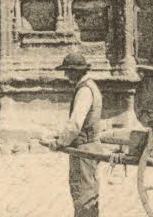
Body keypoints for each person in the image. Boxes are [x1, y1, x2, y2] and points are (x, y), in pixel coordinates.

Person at [40, 48, 103, 217]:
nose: (66, 76)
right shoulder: (90, 86)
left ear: (76, 72)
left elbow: (75, 124)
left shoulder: (84, 90)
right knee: (88, 191)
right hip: (89, 146)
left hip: (84, 149)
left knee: (83, 193)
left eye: (68, 72)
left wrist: (60, 143)